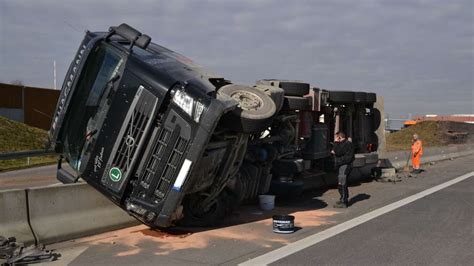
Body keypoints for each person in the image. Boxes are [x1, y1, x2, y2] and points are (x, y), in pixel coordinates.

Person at [331, 131, 354, 208]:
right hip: (343, 165)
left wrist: (335, 143)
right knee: (341, 182)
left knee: (342, 182)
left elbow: (337, 151)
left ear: (339, 137)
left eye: (337, 137)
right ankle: (342, 199)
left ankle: (344, 201)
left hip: (344, 165)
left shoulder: (346, 144)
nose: (336, 139)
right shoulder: (346, 143)